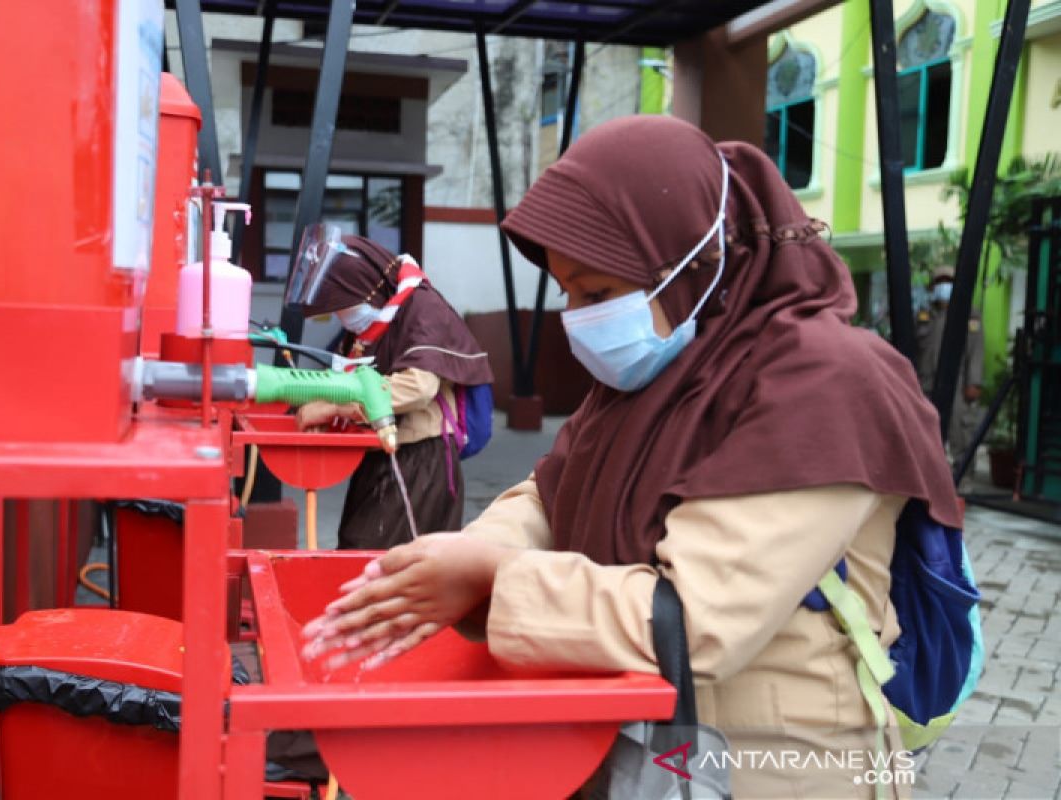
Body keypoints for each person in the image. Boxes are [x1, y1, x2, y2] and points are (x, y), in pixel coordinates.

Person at [299, 116, 962, 797]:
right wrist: (471, 551)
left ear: (696, 267)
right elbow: (552, 492)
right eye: (567, 293)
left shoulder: (825, 383)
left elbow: (697, 618)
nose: (578, 317)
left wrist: (492, 578)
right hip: (644, 745)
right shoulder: (661, 372)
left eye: (597, 292)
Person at [294, 235, 493, 550]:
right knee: (359, 551)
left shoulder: (423, 308)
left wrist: (335, 408)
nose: (341, 318)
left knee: (377, 559)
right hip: (382, 451)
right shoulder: (375, 321)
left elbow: (418, 387)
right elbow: (347, 375)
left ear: (366, 288)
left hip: (421, 457)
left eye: (343, 308)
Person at [917, 266, 985, 479]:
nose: (943, 286)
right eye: (940, 281)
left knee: (960, 432)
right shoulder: (924, 315)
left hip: (957, 382)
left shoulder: (969, 314)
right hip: (925, 382)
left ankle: (962, 481)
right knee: (924, 433)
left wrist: (974, 381)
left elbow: (976, 351)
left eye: (948, 281)